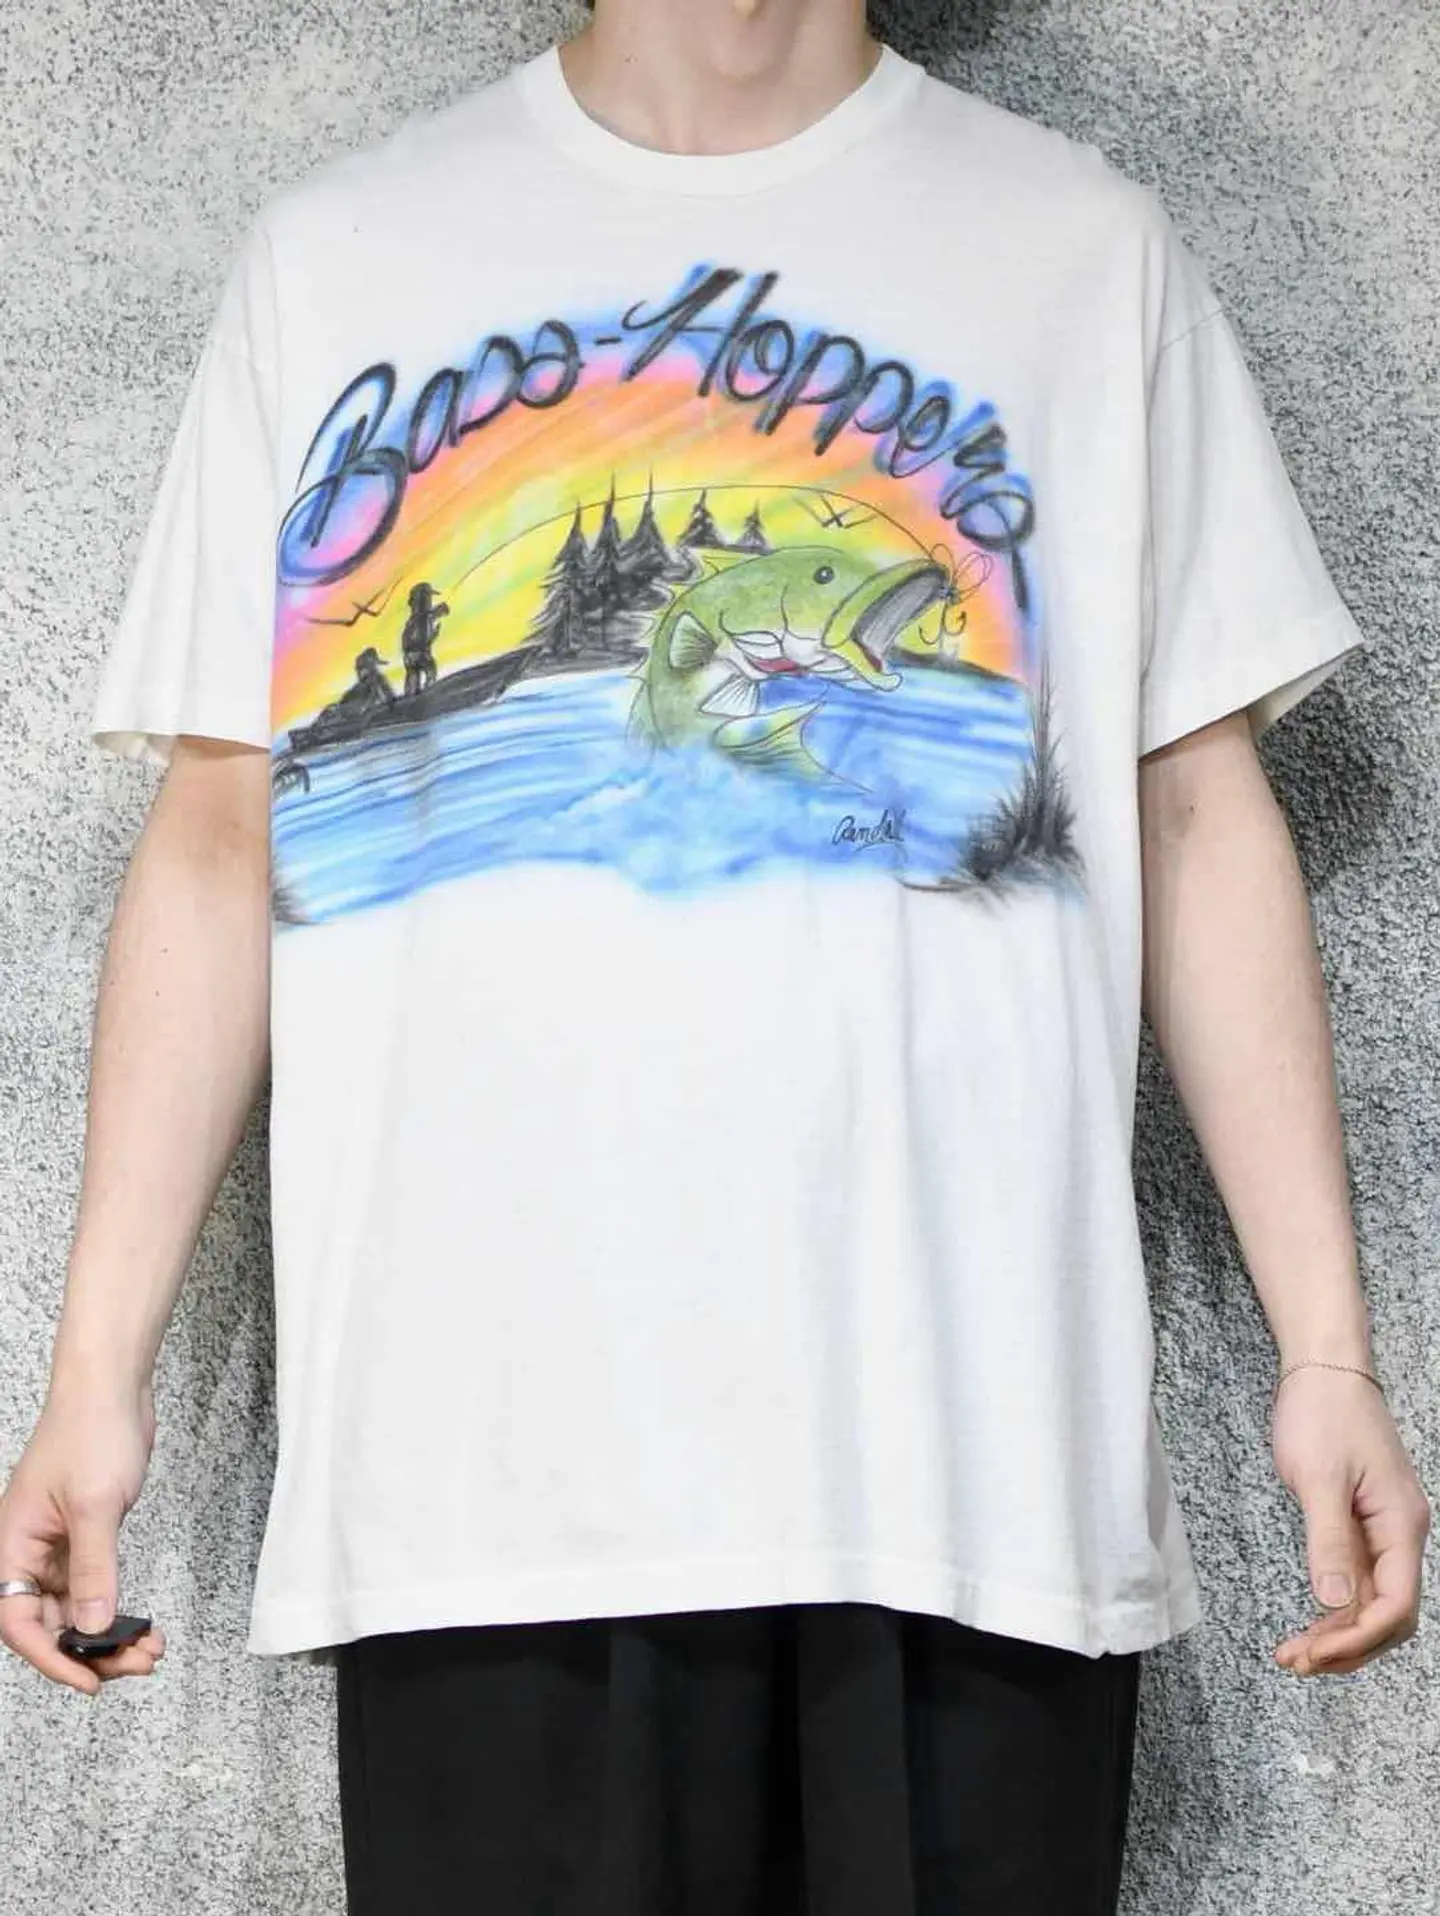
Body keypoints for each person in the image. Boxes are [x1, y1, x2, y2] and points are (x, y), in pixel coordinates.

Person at [0, 1, 1429, 1911]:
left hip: (975, 1480)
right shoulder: (338, 256)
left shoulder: (1084, 247)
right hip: (481, 1495)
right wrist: (94, 1369)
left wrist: (1327, 1347)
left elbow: (1194, 809)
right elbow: (214, 836)